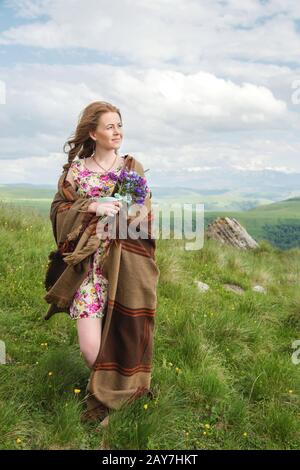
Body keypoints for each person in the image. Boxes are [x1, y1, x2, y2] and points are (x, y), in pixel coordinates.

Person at [44, 101, 160, 425]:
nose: (117, 131)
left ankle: (106, 400)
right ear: (92, 132)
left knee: (122, 335)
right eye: (109, 126)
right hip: (86, 270)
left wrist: (122, 212)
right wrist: (93, 206)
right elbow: (58, 211)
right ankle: (112, 391)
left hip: (123, 267)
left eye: (119, 125)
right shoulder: (76, 171)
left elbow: (144, 213)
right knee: (90, 346)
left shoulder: (131, 168)